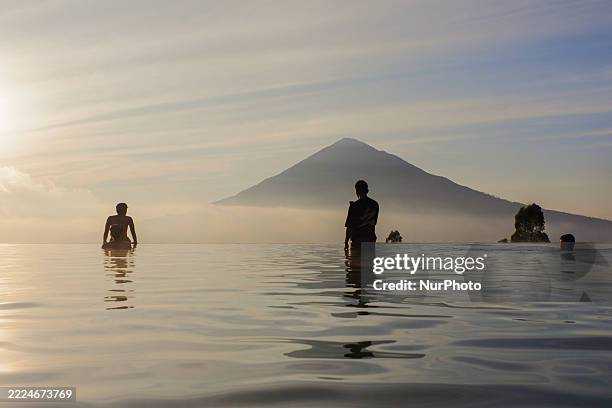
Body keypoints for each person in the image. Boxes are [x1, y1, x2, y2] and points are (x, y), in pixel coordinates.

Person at [344, 180, 379, 254]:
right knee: (368, 264)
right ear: (367, 190)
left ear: (357, 191)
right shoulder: (375, 205)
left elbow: (349, 226)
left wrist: (346, 243)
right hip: (370, 240)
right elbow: (374, 222)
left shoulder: (354, 206)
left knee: (356, 264)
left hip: (357, 241)